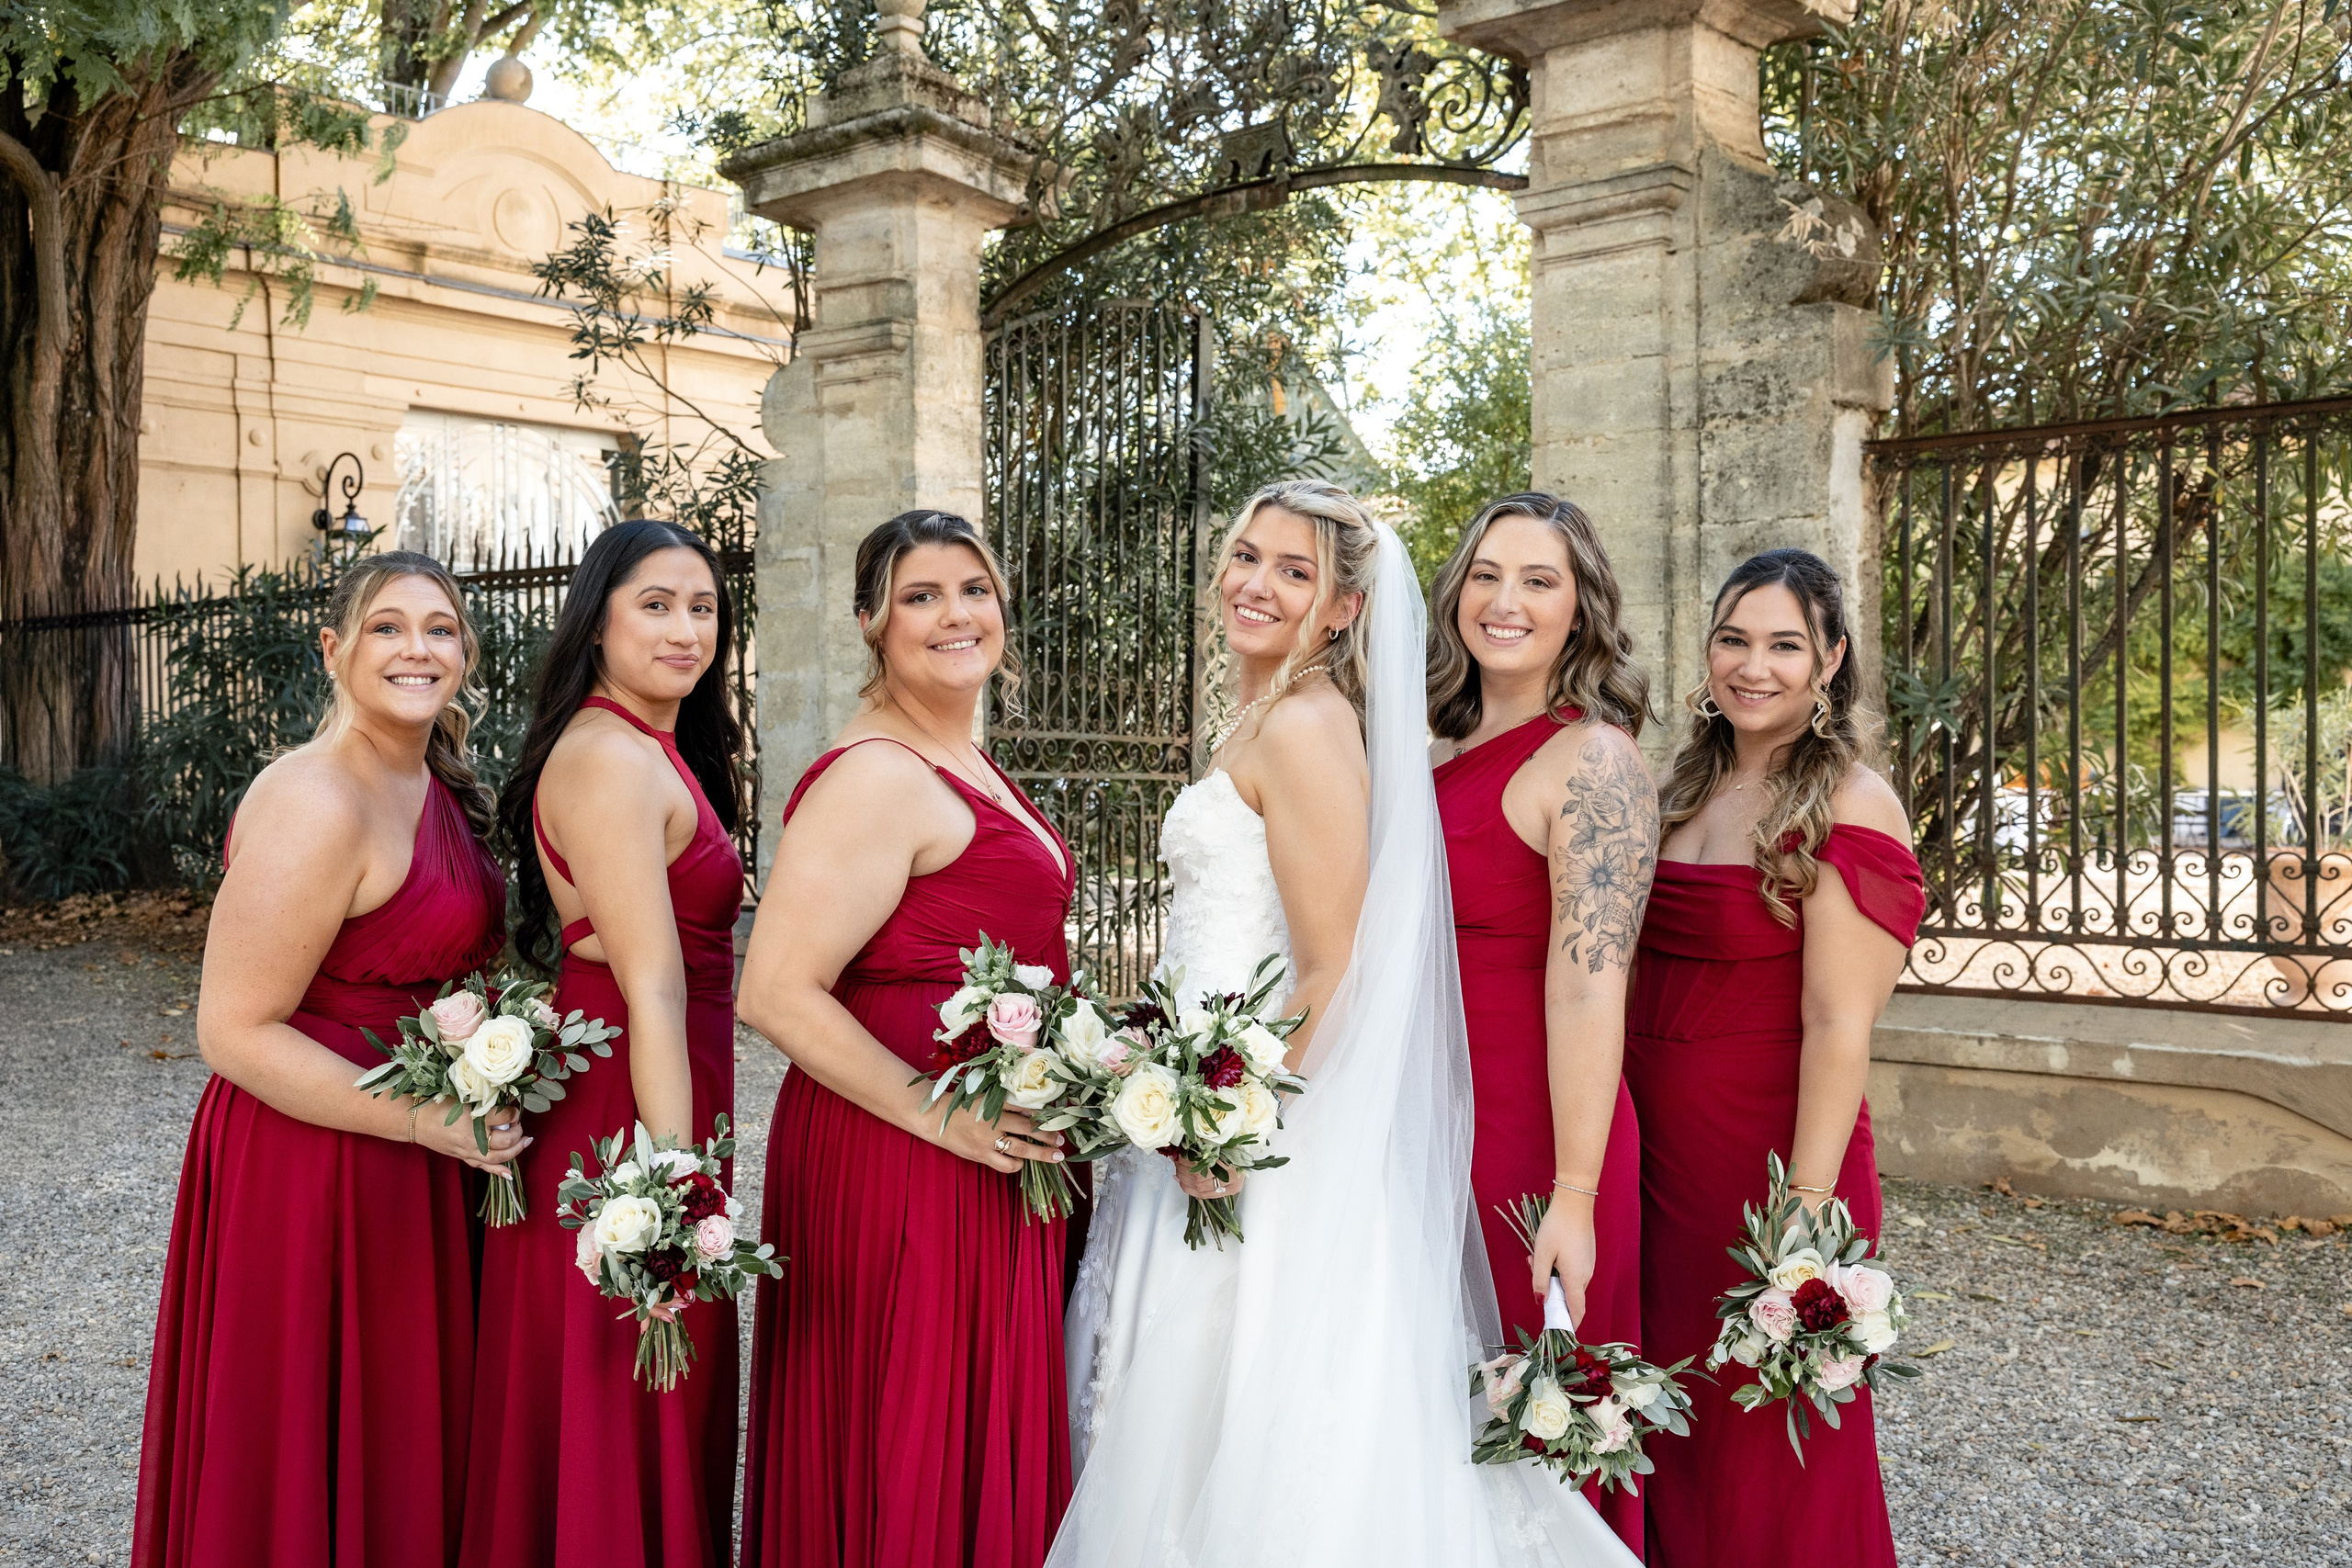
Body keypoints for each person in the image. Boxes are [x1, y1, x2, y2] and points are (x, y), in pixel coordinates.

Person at [1051, 479, 1638, 1568]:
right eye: (1245, 556)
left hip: (1255, 1121)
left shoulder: (1316, 724)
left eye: (1295, 569)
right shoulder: (1367, 732)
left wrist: (1224, 1119)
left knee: (1267, 1408)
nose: (1256, 582)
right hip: (1214, 1094)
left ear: (1342, 608)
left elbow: (1335, 959)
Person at [135, 552, 514, 1568]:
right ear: (334, 650)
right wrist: (424, 1118)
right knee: (310, 1438)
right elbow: (234, 1029)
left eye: (439, 628)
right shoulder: (315, 801)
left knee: (399, 1433)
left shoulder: (429, 780)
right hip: (315, 1161)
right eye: (387, 627)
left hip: (416, 1151)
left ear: (464, 654)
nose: (417, 648)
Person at [737, 509, 1075, 1568]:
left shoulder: (962, 756)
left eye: (971, 589)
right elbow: (777, 992)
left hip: (979, 1148)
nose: (953, 614)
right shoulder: (878, 773)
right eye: (919, 597)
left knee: (964, 1429)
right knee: (907, 1431)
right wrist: (945, 1116)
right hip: (902, 1155)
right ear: (872, 625)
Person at [1623, 547, 1924, 1565]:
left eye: (1784, 645)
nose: (1754, 667)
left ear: (1830, 659)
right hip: (1654, 1156)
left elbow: (1840, 1024)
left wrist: (1801, 1211)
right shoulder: (1677, 786)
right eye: (1733, 640)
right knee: (1665, 1414)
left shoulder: (1852, 800)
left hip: (1769, 1166)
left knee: (1767, 1444)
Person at [462, 520, 748, 1568]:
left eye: (703, 607)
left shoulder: (649, 746)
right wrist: (675, 1187)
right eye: (655, 605)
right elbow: (655, 987)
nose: (685, 629)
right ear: (597, 623)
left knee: (645, 1392)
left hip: (658, 1089)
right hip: (628, 1121)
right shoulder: (609, 758)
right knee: (623, 1387)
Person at [1426, 493, 1654, 1555]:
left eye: (1538, 580)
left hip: (1531, 1133)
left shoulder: (1593, 762)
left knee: (1530, 1421)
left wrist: (1573, 1194)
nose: (1503, 601)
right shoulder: (1425, 747)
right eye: (1485, 574)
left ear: (1581, 611)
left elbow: (1588, 986)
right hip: (1420, 1120)